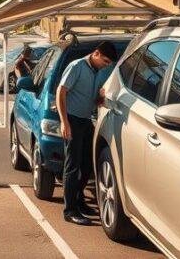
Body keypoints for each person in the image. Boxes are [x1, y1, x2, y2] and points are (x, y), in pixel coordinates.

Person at [55, 41, 118, 225]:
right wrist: (64, 122)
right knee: (72, 166)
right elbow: (61, 91)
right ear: (96, 54)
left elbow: (93, 94)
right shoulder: (77, 66)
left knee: (88, 164)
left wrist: (98, 98)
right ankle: (70, 210)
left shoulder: (99, 71)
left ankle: (79, 201)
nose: (106, 65)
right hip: (72, 119)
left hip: (85, 120)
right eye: (105, 61)